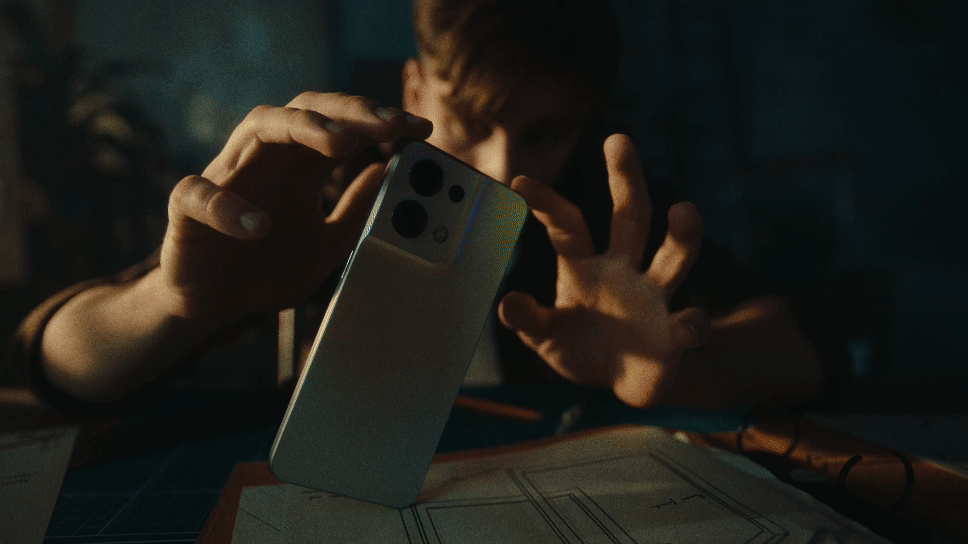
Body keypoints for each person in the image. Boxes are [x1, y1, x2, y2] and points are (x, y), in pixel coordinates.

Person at [10, 0, 826, 417]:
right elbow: (52, 362)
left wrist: (681, 367)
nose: (503, 170)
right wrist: (169, 302)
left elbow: (802, 346)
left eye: (545, 134)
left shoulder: (601, 224)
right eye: (469, 123)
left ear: (584, 125)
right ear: (413, 89)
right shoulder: (315, 201)